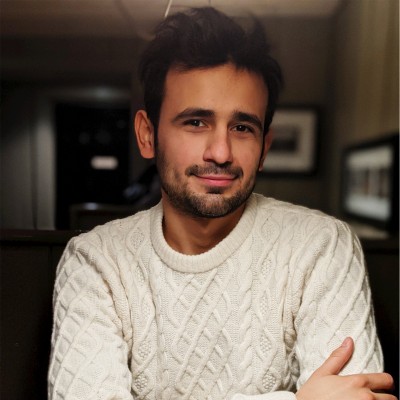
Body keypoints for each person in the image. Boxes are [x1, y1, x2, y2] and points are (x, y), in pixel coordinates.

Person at [48, 7, 396, 400]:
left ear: (264, 147)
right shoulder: (96, 261)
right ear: (147, 135)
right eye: (196, 122)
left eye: (242, 127)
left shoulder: (322, 246)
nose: (221, 152)